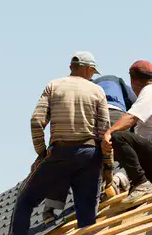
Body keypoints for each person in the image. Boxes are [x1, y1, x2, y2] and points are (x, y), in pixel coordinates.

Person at [1, 51, 112, 235]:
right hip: (90, 155)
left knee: (25, 200)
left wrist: (42, 153)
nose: (92, 75)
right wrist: (107, 165)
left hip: (60, 152)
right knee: (87, 213)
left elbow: (36, 121)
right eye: (92, 71)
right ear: (88, 69)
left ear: (72, 67)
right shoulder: (97, 91)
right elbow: (104, 133)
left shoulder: (54, 86)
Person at [41, 74, 137, 222]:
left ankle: (50, 209)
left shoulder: (84, 89)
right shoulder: (116, 80)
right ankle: (117, 181)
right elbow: (135, 105)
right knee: (131, 150)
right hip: (114, 114)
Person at [102, 60, 152, 206]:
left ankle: (141, 183)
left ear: (133, 81)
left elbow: (131, 118)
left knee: (118, 137)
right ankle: (138, 183)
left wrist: (109, 132)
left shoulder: (150, 92)